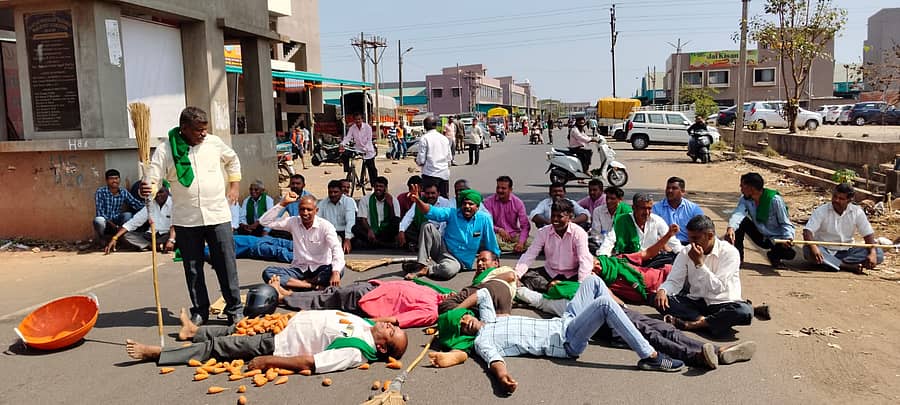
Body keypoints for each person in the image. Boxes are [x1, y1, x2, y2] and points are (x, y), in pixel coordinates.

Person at [466, 275, 684, 394]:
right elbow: (495, 362)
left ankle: (622, 319)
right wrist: (503, 379)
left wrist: (458, 307)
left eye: (464, 318)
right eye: (461, 326)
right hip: (567, 341)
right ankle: (650, 356)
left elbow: (484, 293)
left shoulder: (490, 318)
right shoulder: (482, 341)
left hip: (564, 322)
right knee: (604, 304)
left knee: (593, 280)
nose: (465, 322)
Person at [514, 272, 756, 371]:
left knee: (663, 327)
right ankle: (696, 357)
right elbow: (522, 293)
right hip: (594, 324)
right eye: (547, 283)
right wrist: (513, 283)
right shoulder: (546, 299)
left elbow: (598, 284)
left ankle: (718, 351)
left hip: (616, 311)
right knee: (652, 335)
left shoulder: (578, 288)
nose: (553, 283)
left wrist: (621, 304)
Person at [141, 107, 243, 326]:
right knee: (193, 268)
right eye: (198, 130)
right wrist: (148, 188)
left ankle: (234, 309)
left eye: (205, 129)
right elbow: (154, 176)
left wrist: (234, 186)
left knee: (226, 264)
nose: (203, 134)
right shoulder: (166, 149)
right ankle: (200, 311)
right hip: (186, 219)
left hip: (217, 215)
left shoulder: (214, 143)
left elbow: (233, 160)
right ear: (184, 128)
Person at [125, 309, 408, 374]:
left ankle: (161, 354)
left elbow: (311, 362)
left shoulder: (356, 353)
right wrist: (392, 321)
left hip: (278, 345)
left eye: (392, 332)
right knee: (237, 328)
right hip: (285, 323)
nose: (388, 326)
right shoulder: (369, 328)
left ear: (382, 348)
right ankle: (193, 332)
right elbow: (381, 320)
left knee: (222, 348)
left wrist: (267, 361)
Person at [656, 215, 753, 337]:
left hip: (722, 303)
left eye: (696, 238)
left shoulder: (730, 253)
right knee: (661, 300)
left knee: (744, 311)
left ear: (710, 236)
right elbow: (674, 281)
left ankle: (694, 324)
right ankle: (709, 322)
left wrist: (699, 263)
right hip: (697, 302)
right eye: (690, 238)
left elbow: (717, 288)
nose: (692, 242)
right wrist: (663, 290)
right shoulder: (686, 251)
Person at [403, 184, 500, 281]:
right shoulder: (452, 213)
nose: (467, 206)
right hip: (442, 250)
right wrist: (418, 201)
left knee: (448, 270)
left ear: (478, 207)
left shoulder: (484, 219)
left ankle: (427, 270)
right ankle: (421, 264)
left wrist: (496, 264)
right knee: (427, 226)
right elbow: (431, 211)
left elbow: (491, 242)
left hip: (458, 261)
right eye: (464, 203)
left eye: (470, 204)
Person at [271, 277, 444, 329]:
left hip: (369, 301)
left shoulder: (431, 312)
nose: (452, 294)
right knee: (331, 293)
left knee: (327, 301)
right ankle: (290, 295)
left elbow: (397, 319)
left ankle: (284, 298)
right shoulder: (436, 293)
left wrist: (365, 323)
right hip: (375, 288)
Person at [260, 194, 344, 291]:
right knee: (269, 272)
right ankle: (311, 286)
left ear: (316, 211)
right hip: (299, 270)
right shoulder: (293, 222)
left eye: (309, 209)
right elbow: (264, 222)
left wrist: (336, 272)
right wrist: (283, 203)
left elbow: (336, 248)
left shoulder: (325, 226)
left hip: (321, 269)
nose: (305, 213)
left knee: (339, 269)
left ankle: (298, 284)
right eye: (302, 209)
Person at [801, 183, 884, 273]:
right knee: (808, 250)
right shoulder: (821, 210)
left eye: (841, 199)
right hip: (824, 249)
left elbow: (868, 234)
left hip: (847, 251)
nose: (836, 200)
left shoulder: (857, 212)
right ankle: (846, 266)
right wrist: (814, 247)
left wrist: (872, 253)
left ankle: (832, 263)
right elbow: (807, 231)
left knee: (878, 253)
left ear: (849, 200)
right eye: (835, 196)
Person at [515, 199, 593, 292]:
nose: (555, 220)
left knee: (591, 279)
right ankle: (557, 288)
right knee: (526, 275)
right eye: (553, 216)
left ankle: (556, 289)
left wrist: (581, 285)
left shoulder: (579, 233)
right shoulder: (544, 232)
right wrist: (517, 275)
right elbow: (530, 254)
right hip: (550, 273)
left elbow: (584, 260)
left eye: (560, 216)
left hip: (572, 275)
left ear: (570, 217)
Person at [724, 172, 796, 268]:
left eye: (742, 187)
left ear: (751, 188)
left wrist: (788, 238)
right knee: (741, 222)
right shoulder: (745, 199)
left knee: (790, 254)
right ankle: (738, 258)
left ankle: (774, 256)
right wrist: (731, 227)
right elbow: (738, 213)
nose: (741, 190)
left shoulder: (775, 200)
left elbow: (785, 223)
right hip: (760, 235)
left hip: (776, 238)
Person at [604, 192, 682, 267]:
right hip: (629, 259)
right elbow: (609, 241)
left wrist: (684, 254)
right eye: (643, 208)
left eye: (649, 208)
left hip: (652, 261)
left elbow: (673, 243)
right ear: (634, 208)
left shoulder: (657, 220)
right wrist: (602, 257)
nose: (647, 212)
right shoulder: (622, 220)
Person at [105, 186, 174, 253]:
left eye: (161, 192)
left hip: (167, 235)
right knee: (126, 235)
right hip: (150, 236)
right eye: (155, 192)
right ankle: (153, 246)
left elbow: (175, 225)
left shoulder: (173, 204)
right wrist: (115, 238)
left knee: (179, 235)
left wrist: (171, 239)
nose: (158, 195)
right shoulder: (150, 204)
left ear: (167, 192)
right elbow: (133, 222)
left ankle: (159, 245)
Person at [94, 169, 144, 245]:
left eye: (116, 178)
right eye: (111, 179)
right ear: (107, 181)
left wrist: (149, 205)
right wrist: (116, 227)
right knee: (98, 220)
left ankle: (120, 237)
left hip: (117, 219)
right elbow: (100, 212)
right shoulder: (100, 192)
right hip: (106, 221)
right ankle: (102, 237)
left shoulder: (123, 192)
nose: (114, 181)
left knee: (128, 215)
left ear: (119, 180)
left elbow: (136, 204)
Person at [397, 182, 451, 251]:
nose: (430, 196)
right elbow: (408, 216)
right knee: (406, 227)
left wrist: (437, 238)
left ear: (438, 193)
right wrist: (401, 231)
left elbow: (444, 224)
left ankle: (421, 245)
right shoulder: (420, 201)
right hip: (422, 231)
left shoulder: (445, 203)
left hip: (438, 233)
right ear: (424, 193)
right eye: (428, 193)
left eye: (433, 193)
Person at [482, 176, 530, 253]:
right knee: (493, 240)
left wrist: (521, 243)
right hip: (496, 234)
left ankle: (510, 247)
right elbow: (486, 223)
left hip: (513, 234)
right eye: (498, 187)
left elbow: (525, 226)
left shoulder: (518, 203)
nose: (500, 190)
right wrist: (499, 230)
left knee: (532, 242)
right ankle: (512, 248)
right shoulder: (488, 202)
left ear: (510, 190)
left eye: (503, 188)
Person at [652, 177, 704, 245]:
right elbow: (652, 231)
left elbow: (703, 229)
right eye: (668, 188)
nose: (670, 191)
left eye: (674, 188)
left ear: (682, 192)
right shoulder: (656, 208)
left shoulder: (693, 209)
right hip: (664, 245)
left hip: (687, 245)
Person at [352, 176, 401, 249]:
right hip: (369, 231)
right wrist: (369, 230)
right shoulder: (365, 199)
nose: (378, 188)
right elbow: (363, 219)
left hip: (385, 232)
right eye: (376, 186)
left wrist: (390, 205)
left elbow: (395, 219)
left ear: (385, 188)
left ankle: (375, 243)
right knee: (355, 228)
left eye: (381, 186)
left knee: (396, 223)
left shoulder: (393, 200)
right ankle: (381, 244)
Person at [316, 180, 357, 254]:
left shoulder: (348, 201)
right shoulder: (322, 203)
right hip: (329, 232)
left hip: (345, 232)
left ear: (341, 192)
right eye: (330, 192)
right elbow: (317, 220)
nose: (333, 195)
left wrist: (347, 239)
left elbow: (350, 221)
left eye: (335, 192)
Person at [416, 115, 452, 198]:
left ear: (424, 127)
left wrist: (417, 161)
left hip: (430, 174)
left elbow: (421, 160)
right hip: (444, 174)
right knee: (443, 201)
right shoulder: (444, 138)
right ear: (436, 126)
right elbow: (449, 157)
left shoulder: (424, 138)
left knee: (429, 201)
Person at [341, 113, 377, 187]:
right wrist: (342, 144)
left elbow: (369, 140)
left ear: (362, 119)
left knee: (371, 168)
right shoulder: (352, 128)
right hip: (357, 148)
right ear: (354, 120)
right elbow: (348, 137)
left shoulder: (367, 127)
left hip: (368, 150)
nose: (358, 121)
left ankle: (374, 185)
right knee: (345, 154)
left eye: (359, 119)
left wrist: (365, 148)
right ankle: (348, 172)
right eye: (356, 119)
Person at [591, 186, 624, 256]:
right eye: (607, 198)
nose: (608, 201)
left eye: (612, 199)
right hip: (600, 244)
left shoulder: (624, 212)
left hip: (618, 246)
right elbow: (596, 233)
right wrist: (605, 246)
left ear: (620, 200)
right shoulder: (598, 211)